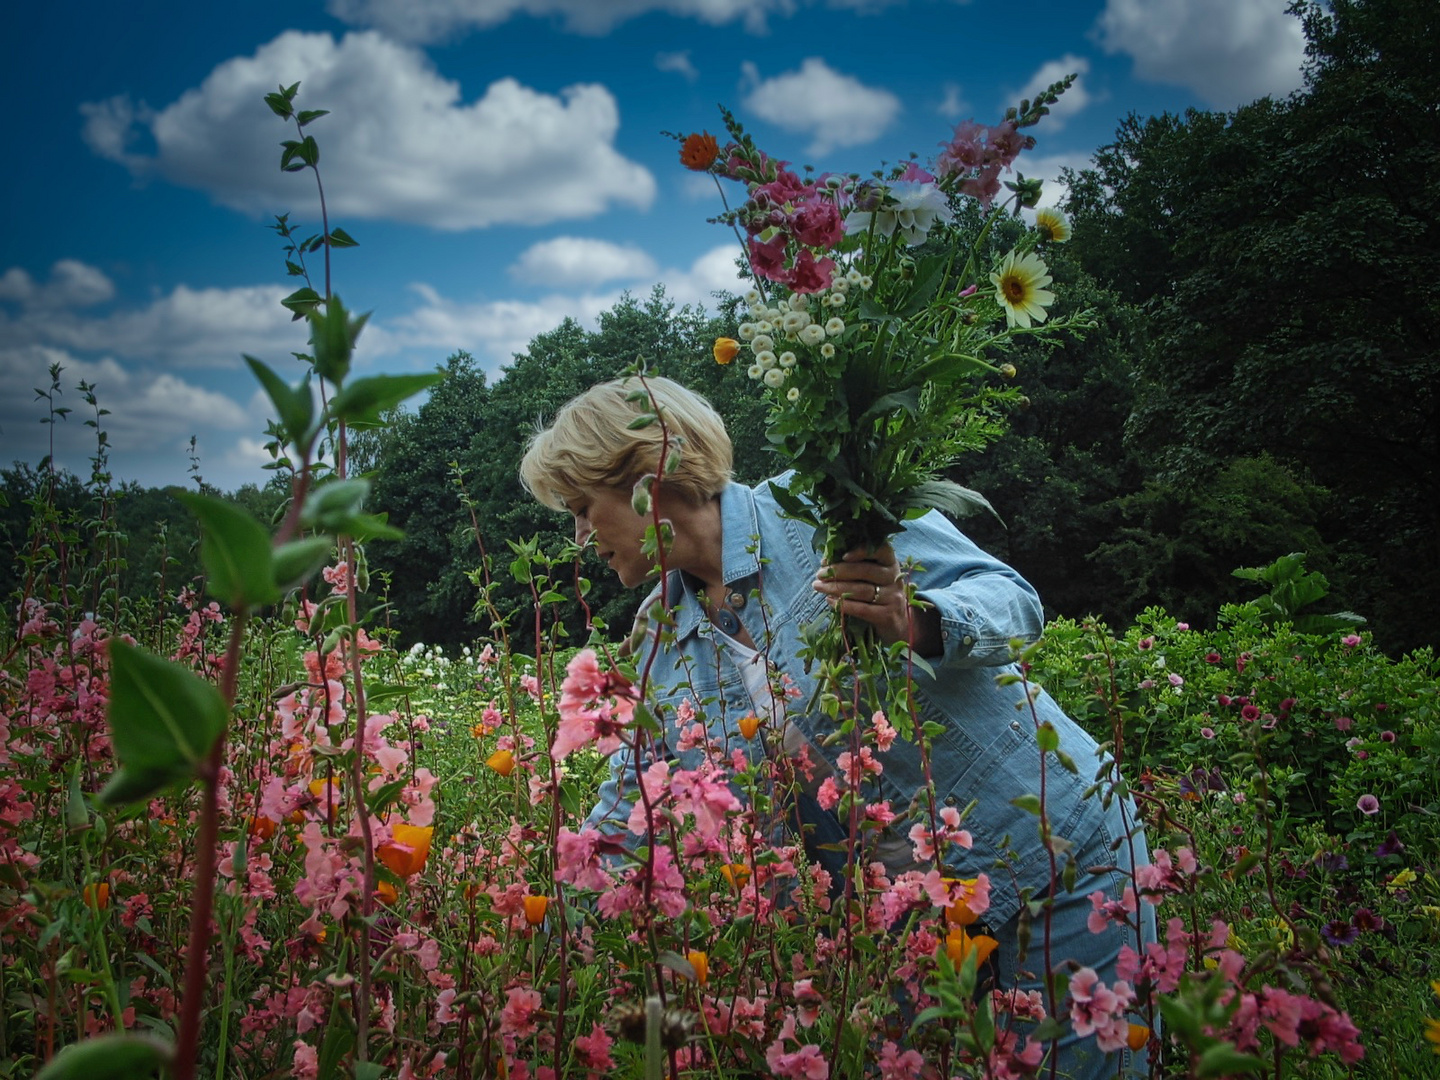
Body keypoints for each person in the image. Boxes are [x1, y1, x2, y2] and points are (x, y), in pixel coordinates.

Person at [520, 374, 1154, 1076]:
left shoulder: (820, 511)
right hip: (918, 937)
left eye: (581, 508)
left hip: (1054, 863)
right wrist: (538, 941)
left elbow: (1013, 602)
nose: (581, 537)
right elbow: (625, 809)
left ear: (647, 478)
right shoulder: (660, 645)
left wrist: (918, 619)